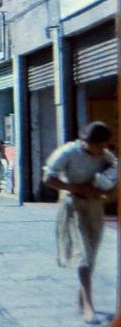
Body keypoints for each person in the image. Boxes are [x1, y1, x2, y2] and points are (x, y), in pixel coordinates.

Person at [43, 122, 117, 325]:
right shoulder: (68, 152)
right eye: (99, 146)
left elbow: (113, 173)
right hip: (73, 207)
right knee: (83, 254)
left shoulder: (104, 155)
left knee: (91, 254)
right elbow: (48, 178)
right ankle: (88, 307)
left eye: (104, 146)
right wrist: (75, 188)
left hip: (94, 208)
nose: (102, 150)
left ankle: (82, 295)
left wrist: (107, 190)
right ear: (86, 142)